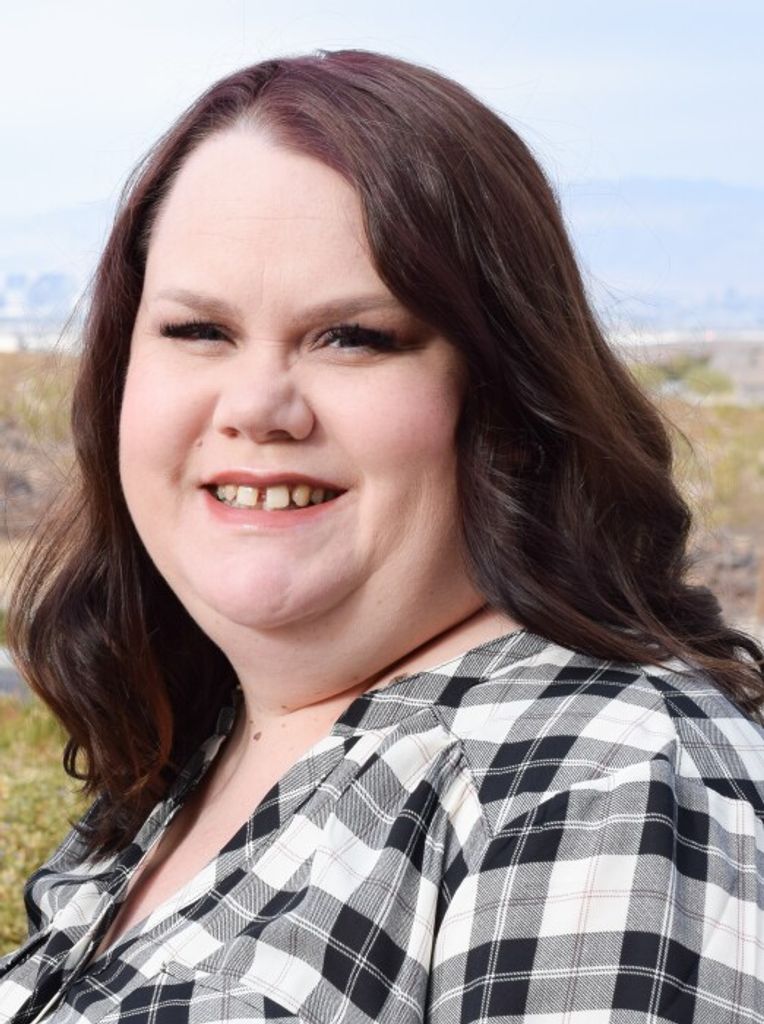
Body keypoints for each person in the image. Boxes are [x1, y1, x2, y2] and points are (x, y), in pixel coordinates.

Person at [1, 49, 762, 1023]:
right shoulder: (195, 755)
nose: (258, 406)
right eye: (199, 331)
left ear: (505, 394)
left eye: (352, 337)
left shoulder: (599, 775)